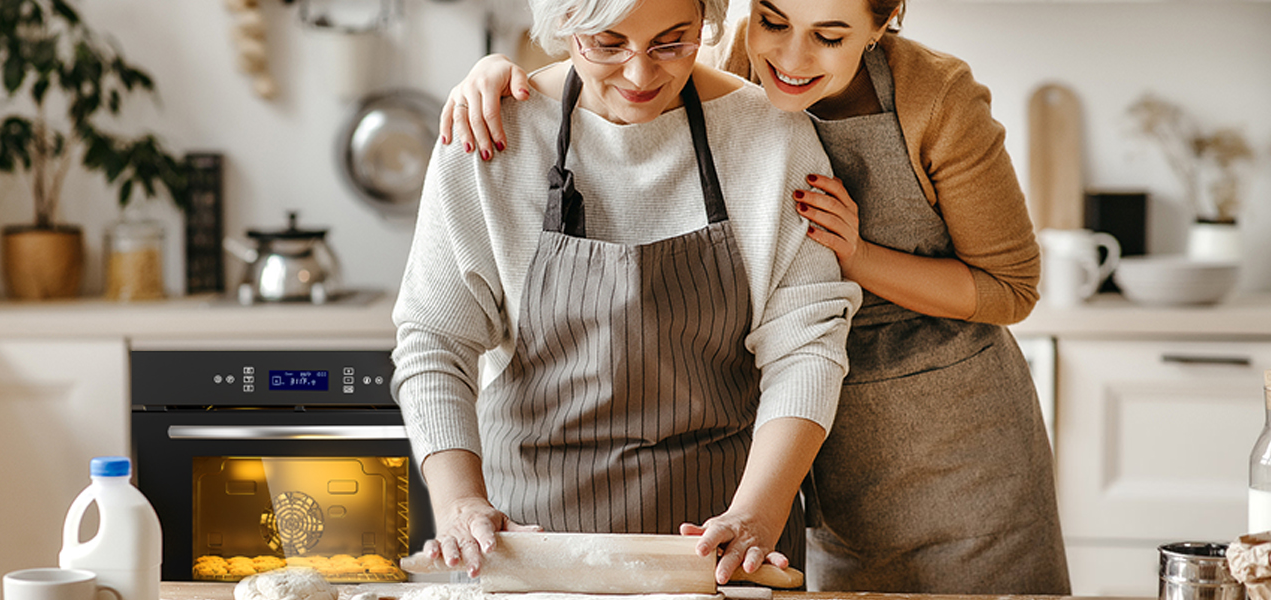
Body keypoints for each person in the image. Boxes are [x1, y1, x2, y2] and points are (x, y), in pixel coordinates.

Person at [433, 0, 1072, 595]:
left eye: (829, 36)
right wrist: (497, 74)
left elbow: (1009, 288)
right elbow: (631, 57)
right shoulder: (724, 68)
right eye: (773, 21)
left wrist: (857, 255)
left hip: (951, 438)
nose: (792, 60)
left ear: (881, 25)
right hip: (814, 453)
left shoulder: (931, 97)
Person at [390, 0, 861, 586]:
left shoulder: (772, 136)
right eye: (608, 45)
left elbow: (806, 347)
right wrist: (460, 502)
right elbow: (435, 341)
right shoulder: (489, 131)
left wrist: (756, 514)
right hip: (531, 546)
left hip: (722, 548)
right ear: (564, 27)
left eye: (672, 42)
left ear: (706, 25)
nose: (641, 76)